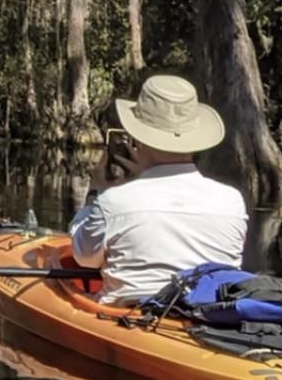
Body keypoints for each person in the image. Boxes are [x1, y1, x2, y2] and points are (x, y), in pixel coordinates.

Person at [69, 74, 248, 304]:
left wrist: (94, 196)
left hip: (129, 318)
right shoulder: (231, 201)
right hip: (208, 317)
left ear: (137, 138)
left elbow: (84, 258)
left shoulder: (113, 202)